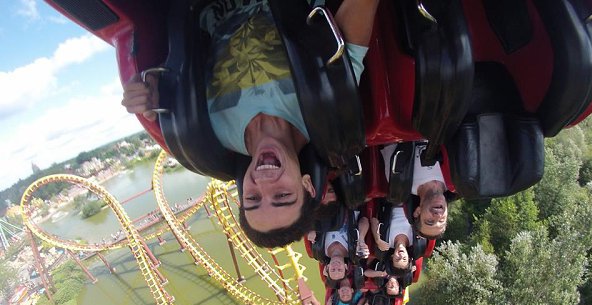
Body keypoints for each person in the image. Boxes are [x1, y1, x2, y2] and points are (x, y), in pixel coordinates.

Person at [122, 0, 380, 248]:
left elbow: (175, 69)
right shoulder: (329, 105)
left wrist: (150, 91)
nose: (264, 182)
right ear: (307, 185)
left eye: (253, 198)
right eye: (282, 195)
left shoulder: (208, 132)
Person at [380, 142, 452, 239]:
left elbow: (390, 137)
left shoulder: (398, 181)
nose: (437, 216)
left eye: (430, 221)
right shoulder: (458, 179)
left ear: (417, 212)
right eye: (442, 221)